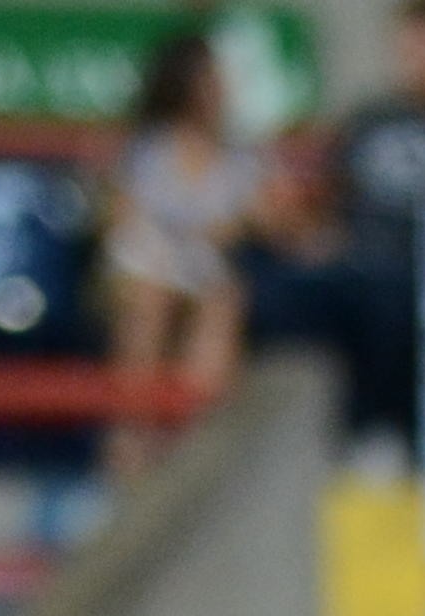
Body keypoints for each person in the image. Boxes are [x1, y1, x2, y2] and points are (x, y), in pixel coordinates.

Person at [246, 0, 425, 455]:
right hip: (359, 264)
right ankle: (294, 443)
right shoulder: (370, 120)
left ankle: (385, 432)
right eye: (407, 46)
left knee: (393, 299)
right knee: (277, 289)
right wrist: (303, 229)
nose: (413, 58)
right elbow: (323, 199)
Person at [102, 21, 260, 467]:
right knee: (150, 297)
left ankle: (198, 446)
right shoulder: (146, 151)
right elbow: (122, 219)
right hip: (148, 265)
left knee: (221, 305)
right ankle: (131, 436)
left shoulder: (238, 156)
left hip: (208, 269)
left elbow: (247, 221)